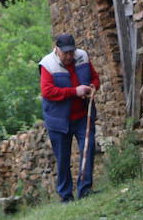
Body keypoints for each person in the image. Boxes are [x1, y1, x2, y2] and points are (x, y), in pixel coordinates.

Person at [39, 33, 100, 203]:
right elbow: (47, 91)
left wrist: (92, 87)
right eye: (65, 52)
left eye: (71, 52)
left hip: (82, 116)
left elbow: (95, 77)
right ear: (57, 49)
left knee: (88, 149)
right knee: (63, 158)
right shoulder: (48, 65)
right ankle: (66, 195)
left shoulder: (83, 57)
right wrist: (75, 91)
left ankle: (85, 189)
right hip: (59, 121)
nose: (69, 56)